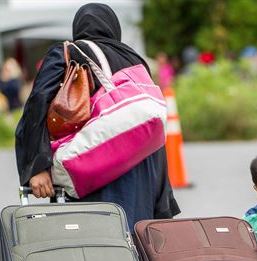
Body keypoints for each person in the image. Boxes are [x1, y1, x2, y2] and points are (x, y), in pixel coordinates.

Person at [15, 3, 179, 227]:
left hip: (93, 172)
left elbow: (37, 105)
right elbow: (151, 126)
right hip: (141, 177)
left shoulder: (68, 53)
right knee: (135, 247)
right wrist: (163, 201)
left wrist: (36, 167)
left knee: (93, 247)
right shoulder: (136, 61)